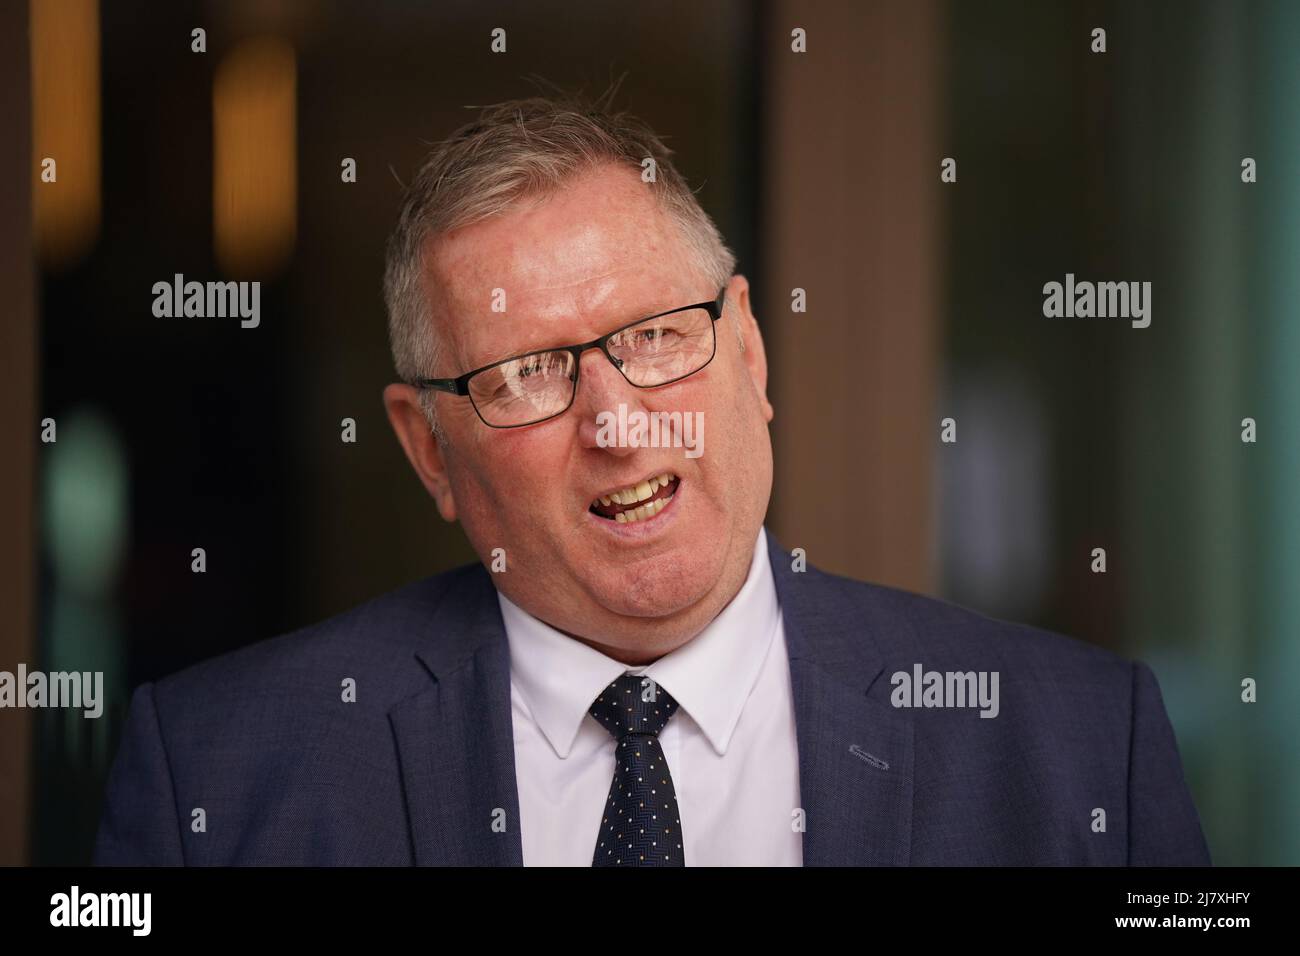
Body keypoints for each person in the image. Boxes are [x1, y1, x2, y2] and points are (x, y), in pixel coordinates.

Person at [95, 92, 1210, 866]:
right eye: (528, 371)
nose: (619, 420)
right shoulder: (220, 776)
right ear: (430, 447)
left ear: (753, 355)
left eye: (659, 335)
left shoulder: (1074, 745)